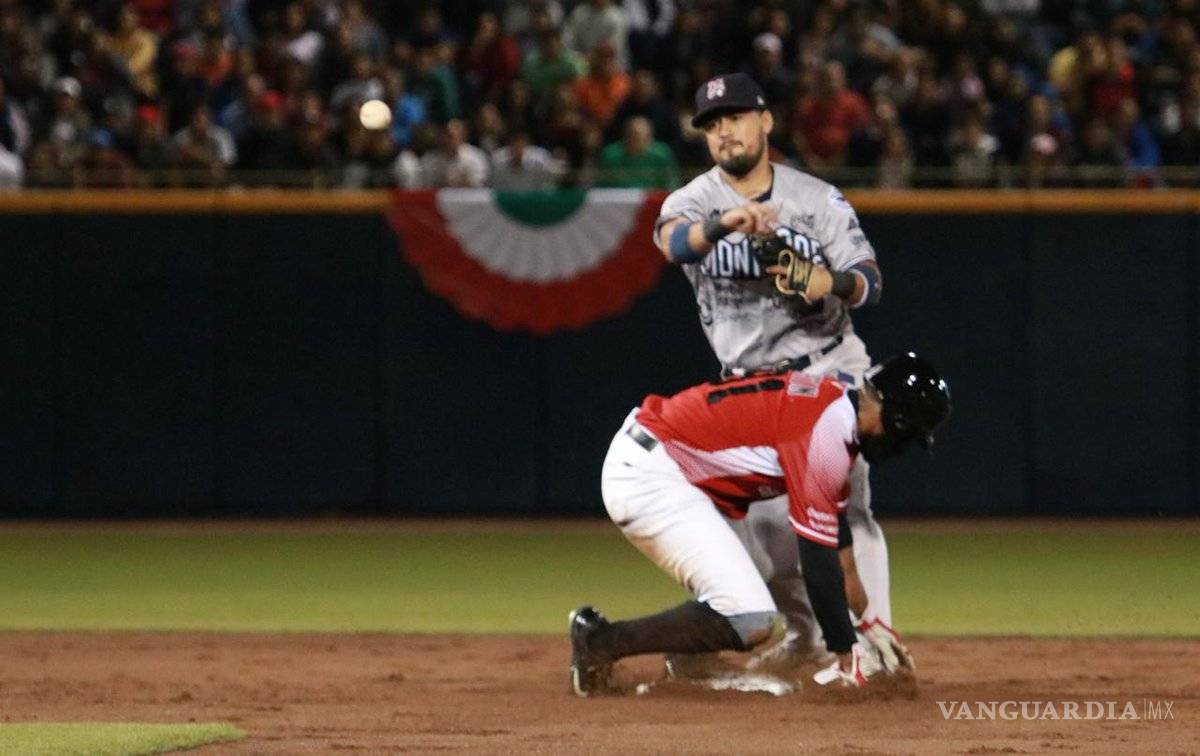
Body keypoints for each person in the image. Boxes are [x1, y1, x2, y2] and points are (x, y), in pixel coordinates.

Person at [651, 72, 891, 672]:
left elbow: (870, 281)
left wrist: (826, 280)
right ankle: (813, 643)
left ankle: (875, 640)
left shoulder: (815, 199)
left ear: (765, 121)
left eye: (733, 116)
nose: (723, 130)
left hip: (828, 366)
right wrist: (722, 225)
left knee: (845, 509)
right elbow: (673, 245)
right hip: (752, 389)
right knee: (771, 535)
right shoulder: (692, 202)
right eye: (711, 124)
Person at [570, 353, 951, 696]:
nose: (901, 448)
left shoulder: (835, 409)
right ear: (898, 420)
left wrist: (871, 625)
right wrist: (845, 652)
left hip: (670, 466)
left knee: (759, 573)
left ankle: (688, 660)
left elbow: (842, 557)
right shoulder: (827, 432)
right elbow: (818, 563)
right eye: (908, 436)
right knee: (751, 617)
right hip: (653, 476)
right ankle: (599, 642)